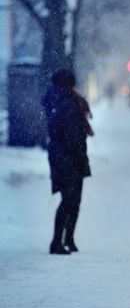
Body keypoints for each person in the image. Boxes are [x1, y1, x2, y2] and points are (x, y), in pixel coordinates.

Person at [43, 69, 93, 255]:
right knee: (71, 199)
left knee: (71, 199)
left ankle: (67, 239)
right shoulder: (67, 102)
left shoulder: (60, 99)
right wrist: (79, 156)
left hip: (63, 154)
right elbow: (71, 134)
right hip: (68, 156)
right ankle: (58, 241)